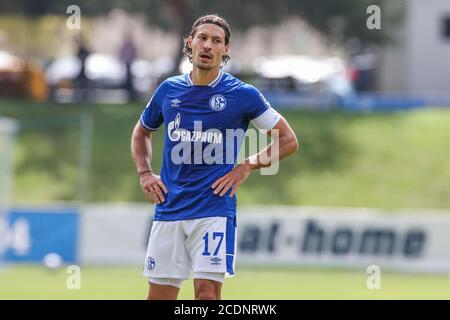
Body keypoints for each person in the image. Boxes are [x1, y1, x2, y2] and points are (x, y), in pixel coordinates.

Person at [131, 14, 299, 300]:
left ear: (226, 50)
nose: (208, 45)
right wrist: (145, 173)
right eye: (202, 38)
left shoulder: (242, 94)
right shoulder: (168, 90)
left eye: (216, 41)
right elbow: (141, 133)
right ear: (190, 43)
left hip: (213, 209)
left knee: (206, 295)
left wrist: (247, 165)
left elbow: (288, 140)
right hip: (169, 208)